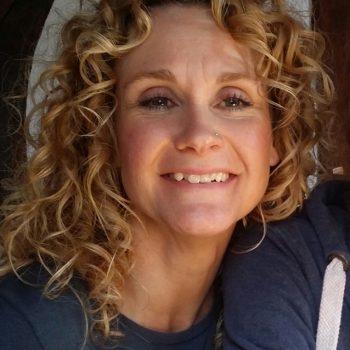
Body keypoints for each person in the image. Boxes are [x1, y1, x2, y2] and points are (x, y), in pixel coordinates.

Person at [0, 0, 333, 349]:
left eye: (233, 100)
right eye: (158, 100)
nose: (199, 136)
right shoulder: (23, 326)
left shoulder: (294, 307)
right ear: (106, 134)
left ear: (275, 137)